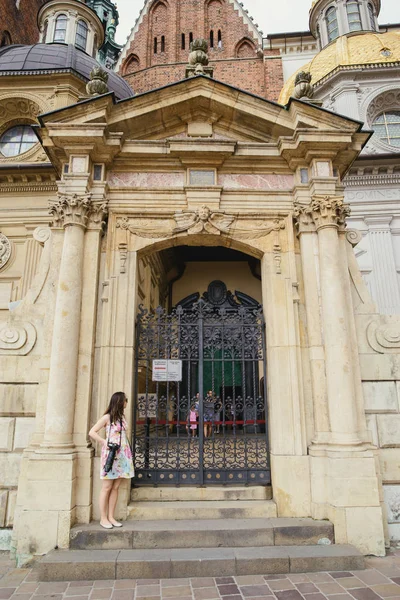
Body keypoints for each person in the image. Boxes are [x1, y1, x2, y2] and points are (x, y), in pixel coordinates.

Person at [89, 391, 134, 529]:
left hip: (122, 455)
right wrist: (104, 442)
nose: (127, 402)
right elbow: (92, 432)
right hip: (111, 454)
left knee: (115, 487)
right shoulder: (107, 417)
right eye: (125, 400)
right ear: (120, 401)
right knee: (107, 487)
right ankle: (103, 518)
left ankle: (111, 517)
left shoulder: (122, 417)